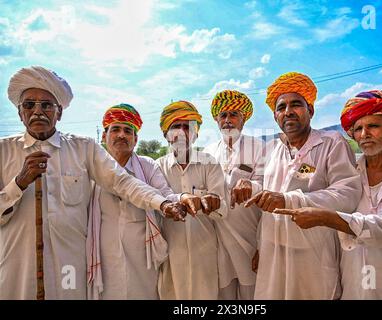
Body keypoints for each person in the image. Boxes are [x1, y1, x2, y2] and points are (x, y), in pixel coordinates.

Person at [0, 66, 187, 300]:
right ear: (19, 112)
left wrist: (162, 203)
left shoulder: (82, 148)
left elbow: (121, 182)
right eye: (29, 105)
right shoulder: (4, 151)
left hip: (69, 266)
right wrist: (18, 183)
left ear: (59, 112)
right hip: (18, 266)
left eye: (46, 105)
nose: (38, 111)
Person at [274, 90, 382, 299]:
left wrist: (327, 217)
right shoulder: (350, 171)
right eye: (358, 128)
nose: (364, 134)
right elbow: (316, 180)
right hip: (355, 286)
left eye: (373, 126)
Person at [245, 71, 362, 299]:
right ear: (275, 116)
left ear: (311, 110)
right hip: (273, 250)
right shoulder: (271, 150)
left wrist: (290, 199)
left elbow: (348, 193)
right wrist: (261, 245)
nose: (288, 112)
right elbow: (264, 203)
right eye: (281, 108)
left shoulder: (331, 143)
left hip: (314, 252)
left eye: (295, 104)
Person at [87, 103, 197, 299]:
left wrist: (182, 197)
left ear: (135, 139)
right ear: (104, 136)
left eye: (128, 131)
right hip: (103, 258)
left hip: (143, 259)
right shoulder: (91, 170)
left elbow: (164, 195)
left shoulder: (147, 166)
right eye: (116, 129)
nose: (122, 135)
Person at [156, 100, 228, 299]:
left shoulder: (210, 164)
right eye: (175, 126)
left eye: (187, 127)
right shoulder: (156, 167)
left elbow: (223, 210)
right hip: (171, 254)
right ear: (165, 134)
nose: (181, 132)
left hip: (204, 253)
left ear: (195, 134)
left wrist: (212, 202)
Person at [204, 90, 264, 299]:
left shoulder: (259, 148)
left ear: (244, 119)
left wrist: (251, 185)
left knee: (252, 295)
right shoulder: (209, 152)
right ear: (216, 120)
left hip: (250, 237)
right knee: (224, 294)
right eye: (223, 115)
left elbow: (269, 186)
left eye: (234, 114)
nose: (228, 120)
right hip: (220, 238)